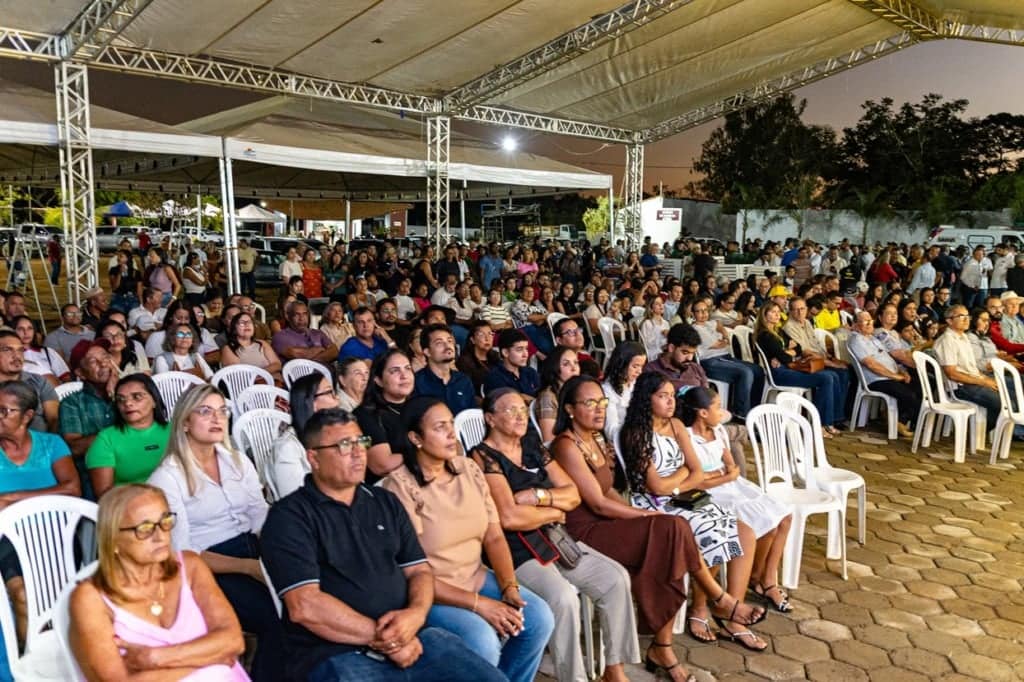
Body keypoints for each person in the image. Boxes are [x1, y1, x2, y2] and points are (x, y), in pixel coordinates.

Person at [260, 408, 506, 682]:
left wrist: (415, 614)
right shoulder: (290, 517)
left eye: (361, 442)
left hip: (413, 634)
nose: (357, 452)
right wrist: (388, 640)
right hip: (336, 651)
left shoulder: (384, 501)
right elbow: (305, 605)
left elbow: (419, 572)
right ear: (314, 458)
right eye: (343, 445)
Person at [551, 376, 767, 680]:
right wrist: (641, 515)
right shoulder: (566, 445)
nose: (599, 409)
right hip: (585, 530)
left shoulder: (596, 439)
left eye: (602, 402)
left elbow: (611, 491)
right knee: (673, 528)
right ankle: (715, 602)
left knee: (674, 543)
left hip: (624, 514)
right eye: (589, 403)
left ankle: (665, 643)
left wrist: (640, 512)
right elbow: (598, 504)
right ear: (570, 409)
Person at [471, 388, 640, 682]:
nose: (520, 416)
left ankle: (614, 670)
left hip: (556, 539)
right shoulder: (483, 456)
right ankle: (573, 677)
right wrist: (554, 509)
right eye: (510, 411)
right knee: (563, 598)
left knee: (615, 578)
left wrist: (538, 496)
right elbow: (508, 517)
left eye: (523, 410)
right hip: (516, 550)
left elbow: (572, 495)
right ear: (490, 419)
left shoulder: (533, 445)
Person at [381, 398, 554, 682]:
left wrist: (509, 586)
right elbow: (410, 571)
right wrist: (479, 604)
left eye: (451, 424)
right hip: (432, 592)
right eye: (440, 427)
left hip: (475, 576)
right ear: (415, 438)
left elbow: (494, 536)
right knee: (482, 639)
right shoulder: (400, 487)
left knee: (538, 618)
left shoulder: (468, 469)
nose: (452, 433)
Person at [620, 373, 766, 651]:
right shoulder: (636, 433)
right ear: (645, 399)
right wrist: (682, 477)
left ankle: (729, 611)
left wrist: (677, 482)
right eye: (662, 396)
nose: (670, 402)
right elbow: (655, 487)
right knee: (710, 532)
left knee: (745, 532)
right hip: (652, 506)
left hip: (684, 497)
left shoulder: (676, 425)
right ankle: (703, 607)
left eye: (672, 396)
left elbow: (696, 471)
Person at [147, 385, 284, 681]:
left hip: (255, 549)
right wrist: (248, 568)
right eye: (205, 411)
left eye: (222, 411)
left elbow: (259, 514)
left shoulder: (236, 460)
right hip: (211, 566)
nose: (217, 419)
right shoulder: (167, 476)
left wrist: (277, 553)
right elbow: (182, 551)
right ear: (184, 422)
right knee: (276, 619)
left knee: (304, 600)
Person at [70, 483, 249, 680]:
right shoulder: (90, 598)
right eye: (145, 528)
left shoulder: (190, 566)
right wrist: (211, 659)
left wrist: (154, 657)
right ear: (113, 539)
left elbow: (233, 641)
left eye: (165, 521)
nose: (161, 536)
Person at [678, 386, 793, 611]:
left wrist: (723, 474)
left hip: (732, 485)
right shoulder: (688, 437)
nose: (721, 413)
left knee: (785, 516)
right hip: (713, 493)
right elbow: (698, 481)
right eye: (717, 407)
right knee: (766, 525)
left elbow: (732, 466)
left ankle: (768, 580)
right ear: (702, 413)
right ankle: (755, 580)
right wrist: (722, 475)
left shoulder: (718, 430)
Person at [755, 302, 846, 434]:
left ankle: (833, 419)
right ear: (764, 315)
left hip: (788, 368)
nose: (777, 315)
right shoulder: (765, 335)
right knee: (825, 377)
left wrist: (787, 352)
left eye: (778, 312)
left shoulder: (778, 331)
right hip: (778, 373)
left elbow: (797, 348)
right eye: (773, 312)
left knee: (832, 375)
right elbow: (785, 357)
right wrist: (787, 352)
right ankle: (820, 424)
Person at [86, 373, 171, 499]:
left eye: (137, 397)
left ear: (154, 400)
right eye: (121, 399)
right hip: (130, 507)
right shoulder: (106, 439)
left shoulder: (175, 431)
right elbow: (105, 496)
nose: (128, 403)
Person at [845, 311, 920, 438]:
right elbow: (871, 365)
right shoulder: (856, 339)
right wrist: (895, 376)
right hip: (876, 379)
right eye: (865, 321)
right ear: (856, 325)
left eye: (870, 320)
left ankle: (900, 418)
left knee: (918, 386)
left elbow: (888, 359)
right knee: (909, 395)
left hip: (890, 375)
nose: (869, 323)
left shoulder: (873, 338)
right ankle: (897, 421)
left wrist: (902, 371)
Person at [270, 372, 342, 500]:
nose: (337, 398)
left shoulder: (334, 435)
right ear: (311, 403)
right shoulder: (287, 448)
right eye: (329, 392)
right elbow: (294, 499)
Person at [691, 299, 765, 419]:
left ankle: (753, 408)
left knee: (758, 370)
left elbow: (720, 325)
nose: (703, 314)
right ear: (693, 314)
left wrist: (725, 337)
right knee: (745, 372)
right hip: (710, 362)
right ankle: (741, 414)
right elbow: (717, 344)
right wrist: (725, 341)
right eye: (699, 311)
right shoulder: (695, 328)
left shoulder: (710, 323)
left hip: (724, 357)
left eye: (705, 310)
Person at [934, 304, 1001, 434]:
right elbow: (952, 374)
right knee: (1004, 402)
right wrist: (983, 382)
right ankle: (976, 432)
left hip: (974, 379)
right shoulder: (947, 340)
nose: (966, 319)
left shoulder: (963, 337)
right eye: (961, 316)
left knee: (1013, 390)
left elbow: (971, 368)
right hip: (960, 387)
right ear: (949, 320)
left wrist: (984, 378)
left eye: (967, 316)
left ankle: (980, 430)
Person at [355, 348, 417, 483]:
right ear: (378, 380)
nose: (404, 375)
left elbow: (455, 445)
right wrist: (425, 453)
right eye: (395, 371)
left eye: (407, 368)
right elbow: (381, 465)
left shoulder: (420, 406)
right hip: (388, 487)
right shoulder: (365, 415)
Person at [413, 324, 475, 414]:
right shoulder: (417, 382)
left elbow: (472, 416)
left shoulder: (463, 380)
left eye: (450, 341)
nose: (447, 346)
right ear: (427, 352)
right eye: (439, 343)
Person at [219, 312, 284, 383]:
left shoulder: (262, 343)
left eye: (249, 322)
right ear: (234, 329)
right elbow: (238, 376)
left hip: (276, 382)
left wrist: (261, 374)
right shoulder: (228, 348)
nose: (247, 325)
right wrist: (264, 374)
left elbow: (277, 365)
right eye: (242, 322)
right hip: (253, 388)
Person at [601, 341, 646, 438]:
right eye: (635, 366)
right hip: (624, 439)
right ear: (621, 364)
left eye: (641, 366)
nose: (639, 371)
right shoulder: (608, 391)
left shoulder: (636, 384)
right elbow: (611, 430)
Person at [535, 347, 580, 443]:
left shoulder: (576, 391)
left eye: (576, 362)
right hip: (562, 450)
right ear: (554, 367)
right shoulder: (547, 397)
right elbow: (549, 440)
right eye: (566, 364)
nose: (574, 368)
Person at [271, 301, 339, 365]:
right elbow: (296, 354)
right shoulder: (280, 336)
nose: (301, 318)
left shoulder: (317, 333)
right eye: (297, 315)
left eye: (305, 314)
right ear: (288, 317)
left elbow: (334, 351)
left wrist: (312, 362)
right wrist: (320, 349)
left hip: (325, 372)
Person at [12, 315, 69, 387]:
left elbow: (65, 377)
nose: (26, 332)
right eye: (20, 329)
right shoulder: (11, 356)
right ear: (13, 331)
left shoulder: (48, 352)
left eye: (30, 328)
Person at [483, 329, 540, 398]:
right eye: (519, 349)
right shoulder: (494, 378)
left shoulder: (530, 372)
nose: (525, 354)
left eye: (526, 349)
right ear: (505, 352)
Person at [457, 320, 499, 396]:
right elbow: (467, 390)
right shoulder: (465, 362)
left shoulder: (496, 357)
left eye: (490, 334)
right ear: (472, 340)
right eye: (481, 334)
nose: (487, 338)